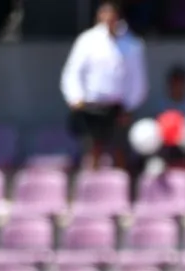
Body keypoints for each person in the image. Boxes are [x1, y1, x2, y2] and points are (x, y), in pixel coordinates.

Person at [60, 1, 148, 170]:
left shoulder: (132, 44)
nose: (108, 18)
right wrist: (75, 98)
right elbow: (72, 73)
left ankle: (121, 192)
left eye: (112, 14)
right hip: (91, 107)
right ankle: (91, 190)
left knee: (120, 152)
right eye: (104, 13)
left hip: (118, 108)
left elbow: (138, 80)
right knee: (92, 152)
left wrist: (130, 107)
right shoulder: (87, 41)